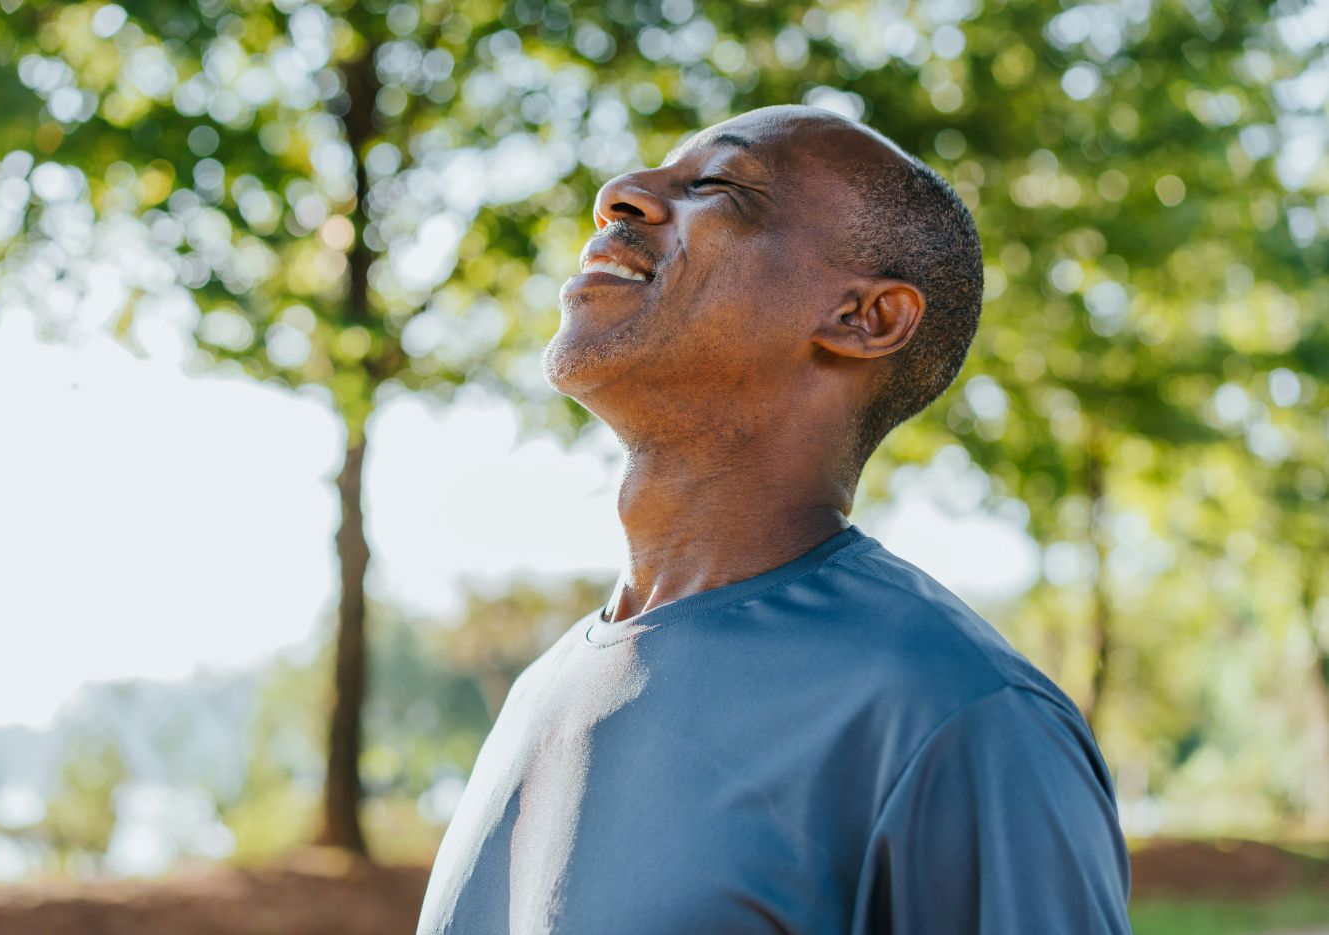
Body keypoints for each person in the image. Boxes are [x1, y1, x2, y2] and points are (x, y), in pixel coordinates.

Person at [417, 105, 1132, 935]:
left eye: (716, 186)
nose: (619, 195)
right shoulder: (540, 693)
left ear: (864, 318)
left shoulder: (958, 716)